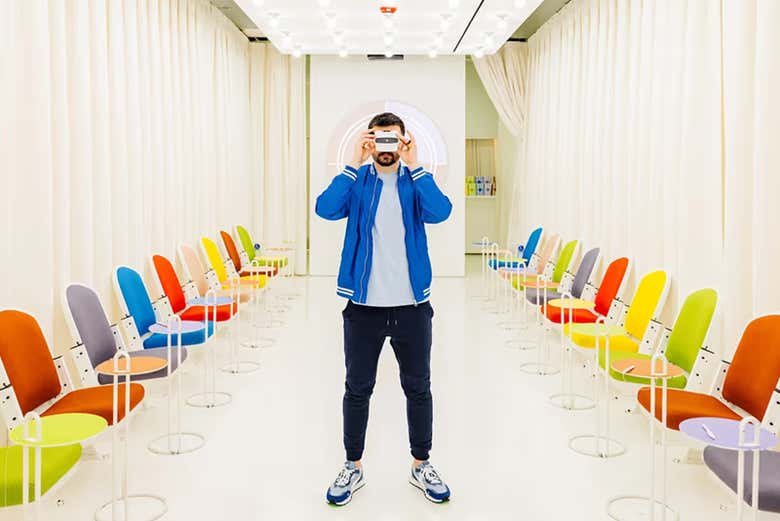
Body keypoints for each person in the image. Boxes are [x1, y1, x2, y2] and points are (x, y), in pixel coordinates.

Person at [315, 112, 453, 506]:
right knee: (357, 389)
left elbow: (441, 212)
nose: (386, 146)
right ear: (370, 142)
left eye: (393, 138)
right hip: (364, 307)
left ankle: (421, 464)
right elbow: (325, 208)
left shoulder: (414, 181)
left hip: (412, 307)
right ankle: (352, 466)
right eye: (378, 139)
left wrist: (416, 164)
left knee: (418, 388)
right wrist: (352, 162)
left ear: (404, 141)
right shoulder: (358, 181)